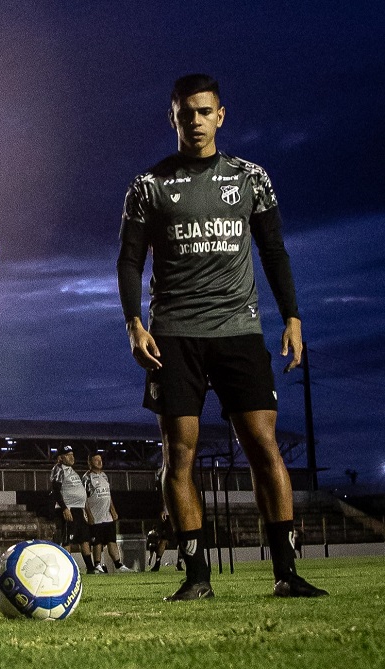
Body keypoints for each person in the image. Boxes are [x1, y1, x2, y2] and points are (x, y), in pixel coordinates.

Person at [117, 73, 327, 601]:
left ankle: (286, 572)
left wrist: (293, 318)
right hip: (174, 337)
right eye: (186, 112)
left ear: (220, 116)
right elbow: (129, 261)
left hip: (239, 332)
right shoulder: (149, 185)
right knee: (178, 455)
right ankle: (196, 578)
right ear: (173, 117)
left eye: (204, 111)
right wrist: (134, 323)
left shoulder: (251, 177)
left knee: (263, 446)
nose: (195, 120)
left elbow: (275, 251)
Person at [83, 453, 134, 573]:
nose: (99, 462)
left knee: (112, 540)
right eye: (96, 460)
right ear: (90, 462)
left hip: (107, 515)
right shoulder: (87, 477)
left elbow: (108, 495)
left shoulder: (104, 476)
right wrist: (89, 514)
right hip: (95, 516)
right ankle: (97, 565)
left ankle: (118, 565)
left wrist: (113, 509)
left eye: (100, 460)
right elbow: (84, 497)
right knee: (97, 542)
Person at [49, 447, 96, 575]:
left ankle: (90, 568)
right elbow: (56, 490)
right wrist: (64, 508)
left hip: (78, 510)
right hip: (68, 509)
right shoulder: (59, 469)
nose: (72, 457)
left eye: (72, 454)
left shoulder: (71, 471)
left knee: (84, 539)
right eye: (68, 455)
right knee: (66, 540)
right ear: (61, 457)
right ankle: (66, 570)